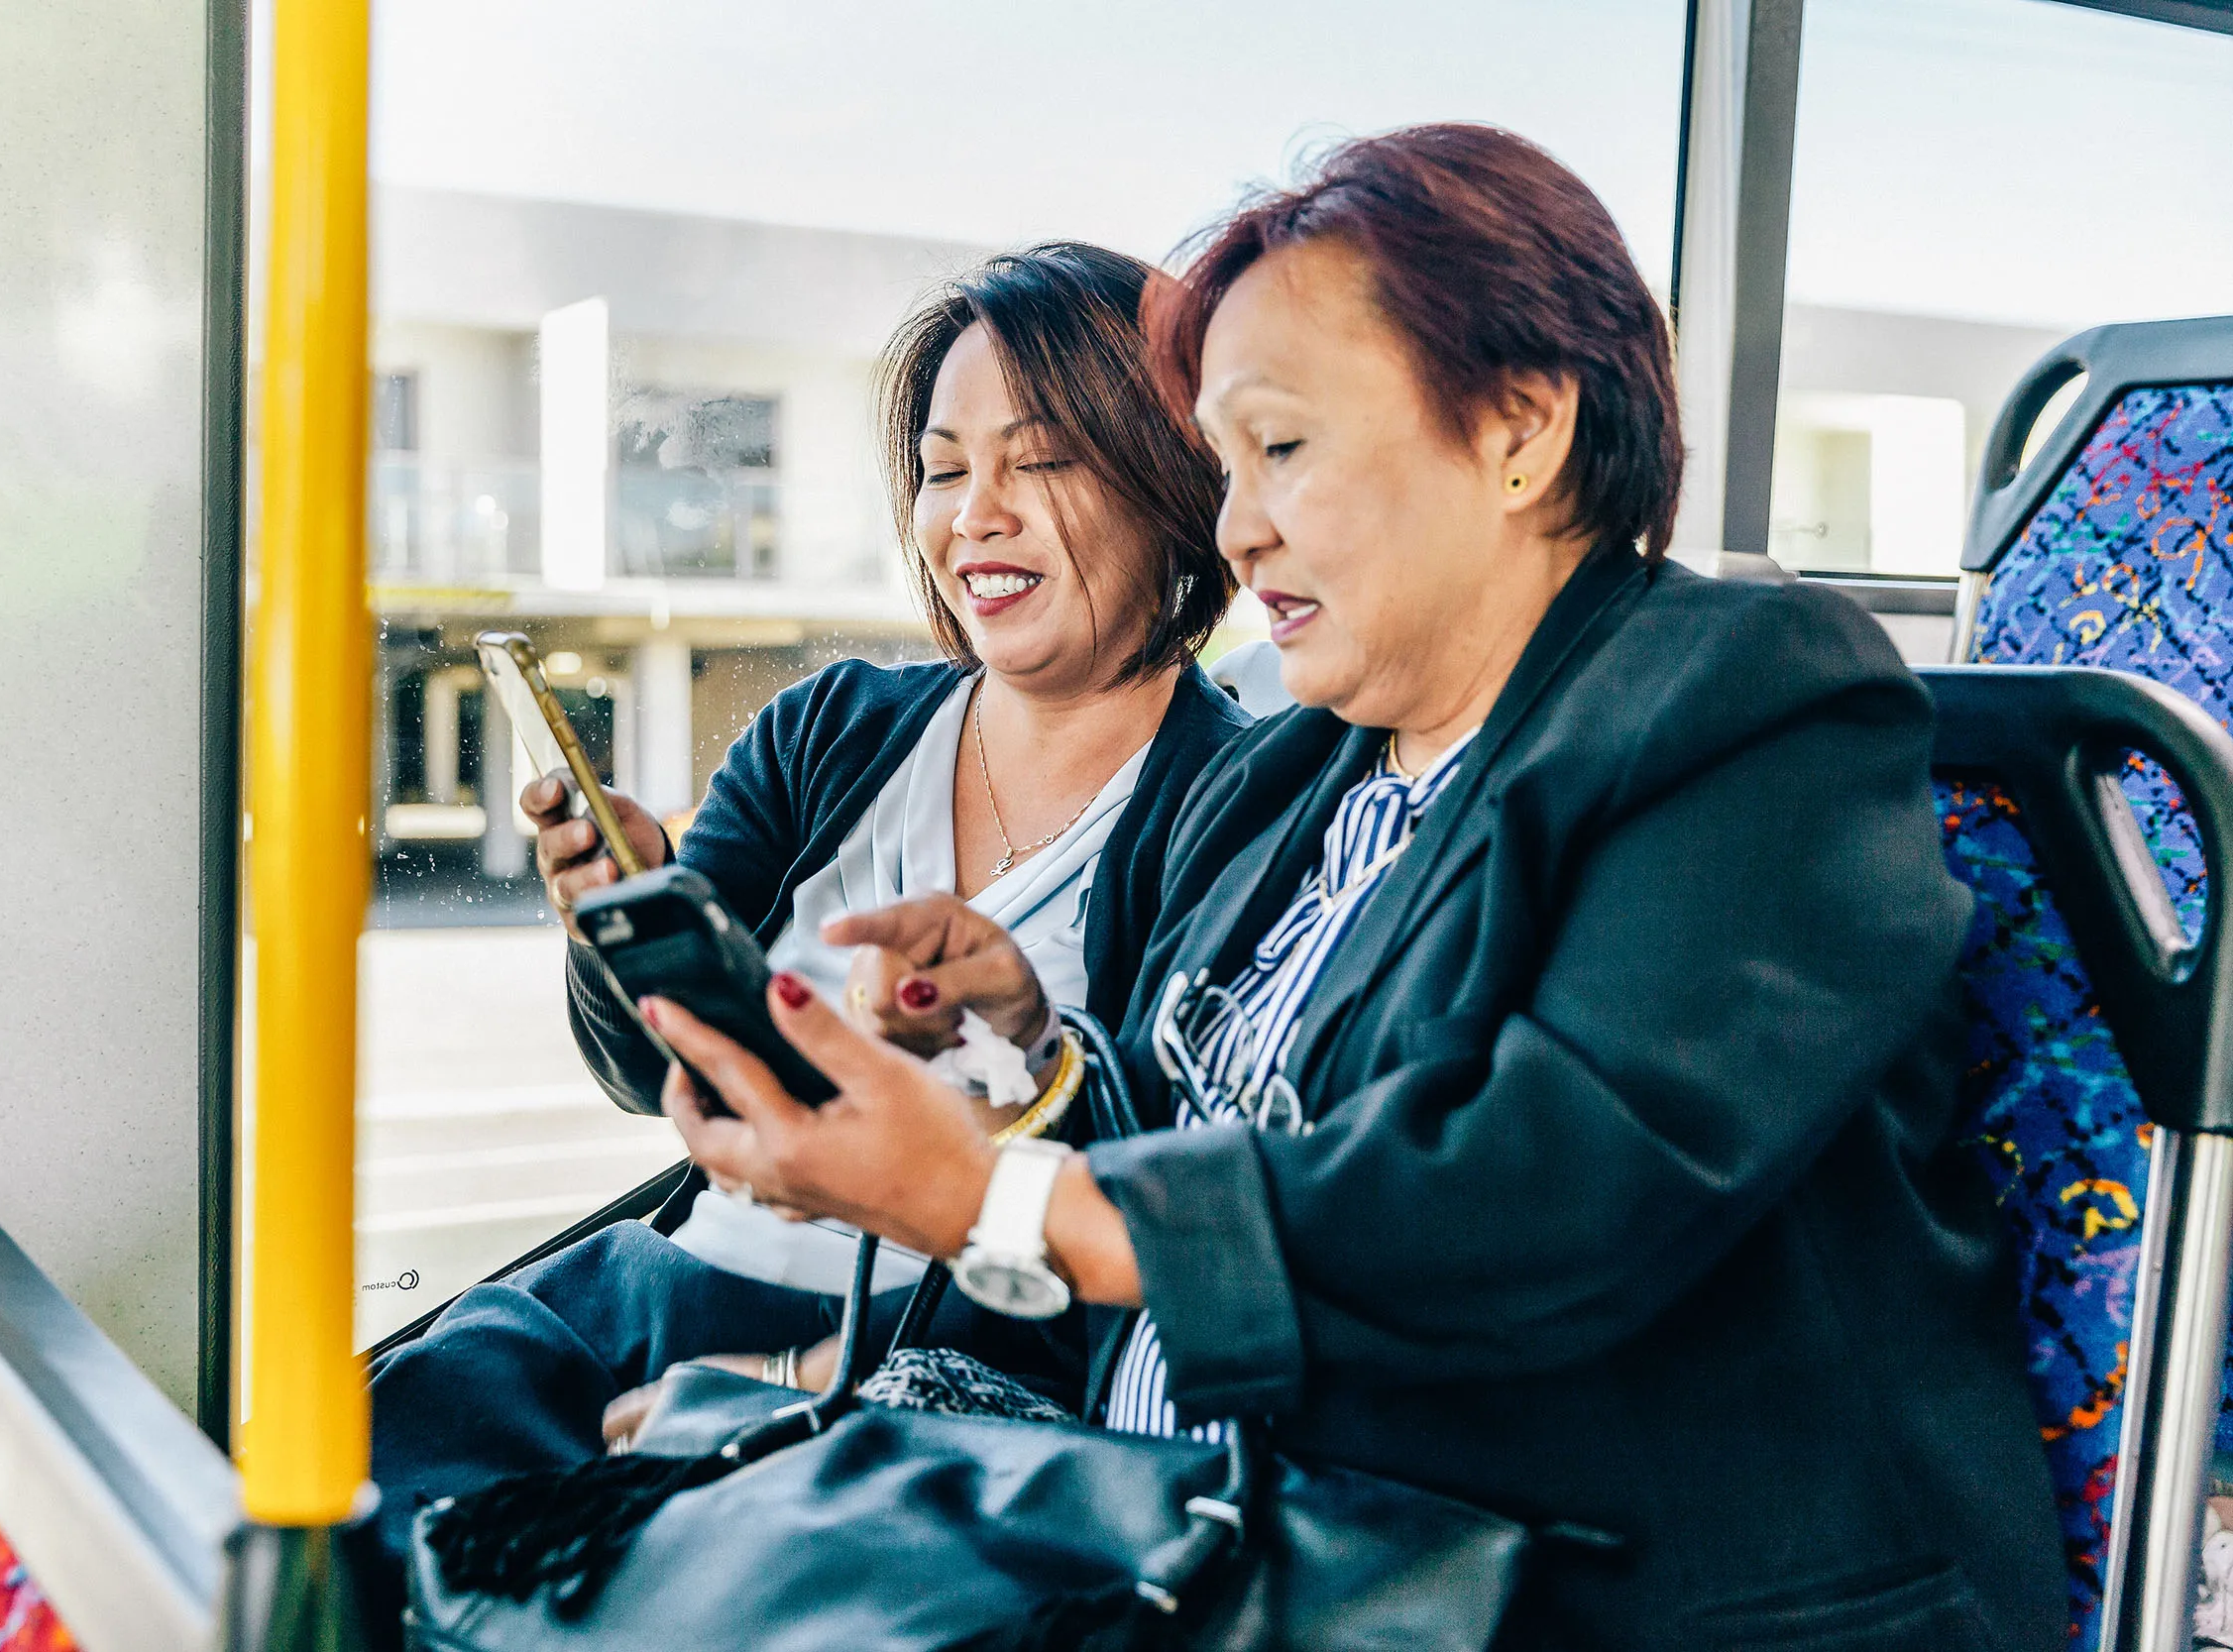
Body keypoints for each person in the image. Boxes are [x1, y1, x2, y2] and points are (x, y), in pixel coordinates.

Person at [639, 127, 2069, 1649]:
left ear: (1520, 429)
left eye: (1286, 447)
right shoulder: (1291, 773)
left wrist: (995, 1196)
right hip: (1212, 1530)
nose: (1236, 524)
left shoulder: (1754, 703)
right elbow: (1185, 1128)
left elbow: (1545, 1185)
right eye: (1225, 463)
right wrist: (1016, 1062)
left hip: (1553, 1583)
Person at [367, 242, 1247, 1560]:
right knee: (350, 1475)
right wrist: (618, 922)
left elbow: (1164, 1220)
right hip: (645, 1287)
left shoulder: (1238, 801)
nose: (976, 515)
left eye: (1041, 458)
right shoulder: (829, 729)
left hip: (900, 1366)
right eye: (945, 470)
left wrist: (793, 1380)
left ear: (1167, 477)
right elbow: (648, 1071)